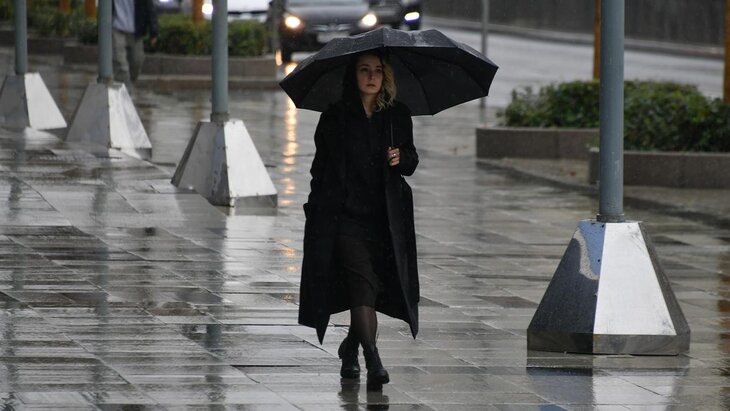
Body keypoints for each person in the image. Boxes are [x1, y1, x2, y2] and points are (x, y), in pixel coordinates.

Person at [298, 50, 420, 390]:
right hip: (345, 219)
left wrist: (400, 157)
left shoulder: (396, 115)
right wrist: (315, 212)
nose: (371, 76)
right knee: (363, 284)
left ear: (385, 76)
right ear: (353, 75)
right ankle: (373, 360)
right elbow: (320, 170)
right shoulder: (335, 117)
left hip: (385, 221)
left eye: (377, 70)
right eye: (364, 70)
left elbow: (411, 160)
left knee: (372, 289)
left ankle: (350, 350)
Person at [112, 0, 158, 88]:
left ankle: (129, 84)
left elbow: (149, 7)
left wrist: (153, 31)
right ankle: (124, 89)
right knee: (120, 62)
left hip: (136, 32)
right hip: (117, 29)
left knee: (137, 60)